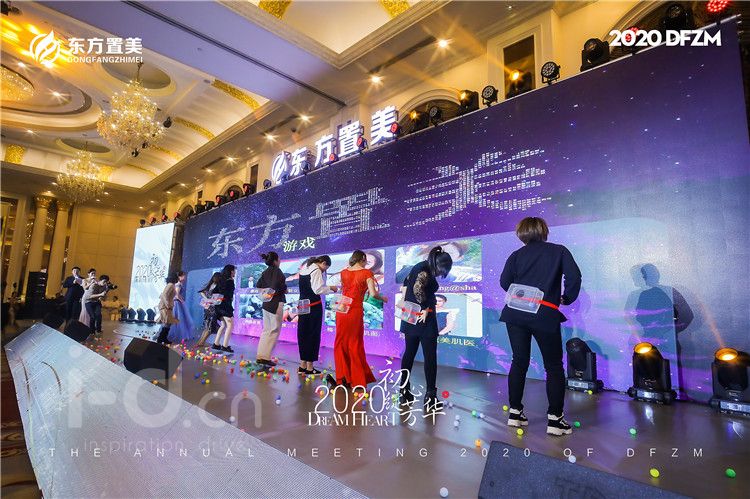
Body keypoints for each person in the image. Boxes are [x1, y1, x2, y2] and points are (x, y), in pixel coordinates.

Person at [500, 217, 582, 436]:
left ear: (522, 233)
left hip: (515, 313)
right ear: (543, 230)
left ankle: (515, 414)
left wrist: (523, 295)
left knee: (519, 362)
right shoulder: (559, 251)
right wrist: (566, 298)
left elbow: (504, 282)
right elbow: (574, 277)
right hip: (544, 314)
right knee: (553, 366)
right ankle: (555, 420)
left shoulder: (516, 255)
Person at [398, 246, 453, 413]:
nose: (441, 274)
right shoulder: (425, 270)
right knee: (430, 357)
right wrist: (426, 307)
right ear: (439, 265)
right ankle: (430, 396)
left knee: (409, 353)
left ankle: (404, 391)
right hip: (424, 318)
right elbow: (417, 289)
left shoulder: (419, 266)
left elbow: (406, 284)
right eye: (443, 270)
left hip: (411, 317)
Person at [326, 250, 388, 391]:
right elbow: (373, 294)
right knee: (354, 344)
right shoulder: (366, 273)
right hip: (354, 311)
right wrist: (383, 298)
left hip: (342, 311)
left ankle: (343, 378)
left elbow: (339, 288)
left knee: (340, 343)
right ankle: (357, 380)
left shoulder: (344, 272)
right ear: (363, 259)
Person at [297, 255, 338, 374]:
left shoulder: (304, 269)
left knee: (303, 334)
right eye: (326, 268)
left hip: (303, 305)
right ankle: (310, 367)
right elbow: (318, 290)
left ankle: (302, 365)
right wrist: (331, 288)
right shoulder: (316, 270)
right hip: (313, 306)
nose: (324, 271)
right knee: (313, 334)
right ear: (323, 263)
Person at [255, 251, 287, 366]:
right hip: (276, 303)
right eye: (279, 259)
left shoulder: (265, 272)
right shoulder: (277, 271)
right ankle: (265, 357)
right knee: (274, 330)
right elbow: (279, 287)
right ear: (275, 261)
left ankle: (260, 355)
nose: (280, 261)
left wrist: (266, 293)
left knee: (266, 330)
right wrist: (283, 290)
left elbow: (258, 286)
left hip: (266, 304)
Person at [212, 264, 236, 353]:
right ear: (231, 271)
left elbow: (214, 291)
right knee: (230, 325)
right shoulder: (230, 281)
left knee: (223, 325)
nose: (235, 272)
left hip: (218, 306)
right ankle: (225, 346)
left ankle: (216, 344)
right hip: (225, 307)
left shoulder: (221, 280)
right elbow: (229, 295)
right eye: (234, 270)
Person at [196, 272, 222, 347]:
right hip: (213, 308)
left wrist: (206, 299)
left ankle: (200, 342)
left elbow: (201, 292)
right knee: (210, 327)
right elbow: (218, 300)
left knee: (207, 326)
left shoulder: (210, 285)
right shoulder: (218, 286)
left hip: (207, 307)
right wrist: (211, 300)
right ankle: (201, 342)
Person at [168, 271, 194, 343]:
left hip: (177, 302)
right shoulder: (178, 284)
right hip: (177, 303)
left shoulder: (177, 284)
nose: (185, 277)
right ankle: (179, 335)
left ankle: (178, 334)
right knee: (179, 318)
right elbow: (176, 295)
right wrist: (182, 301)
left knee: (178, 318)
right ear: (179, 277)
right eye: (183, 276)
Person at [156, 273, 179, 345]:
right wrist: (167, 304)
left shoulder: (171, 285)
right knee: (167, 322)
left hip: (167, 306)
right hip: (165, 306)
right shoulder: (170, 285)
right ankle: (161, 338)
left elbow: (165, 295)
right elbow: (164, 295)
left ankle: (163, 338)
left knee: (168, 323)